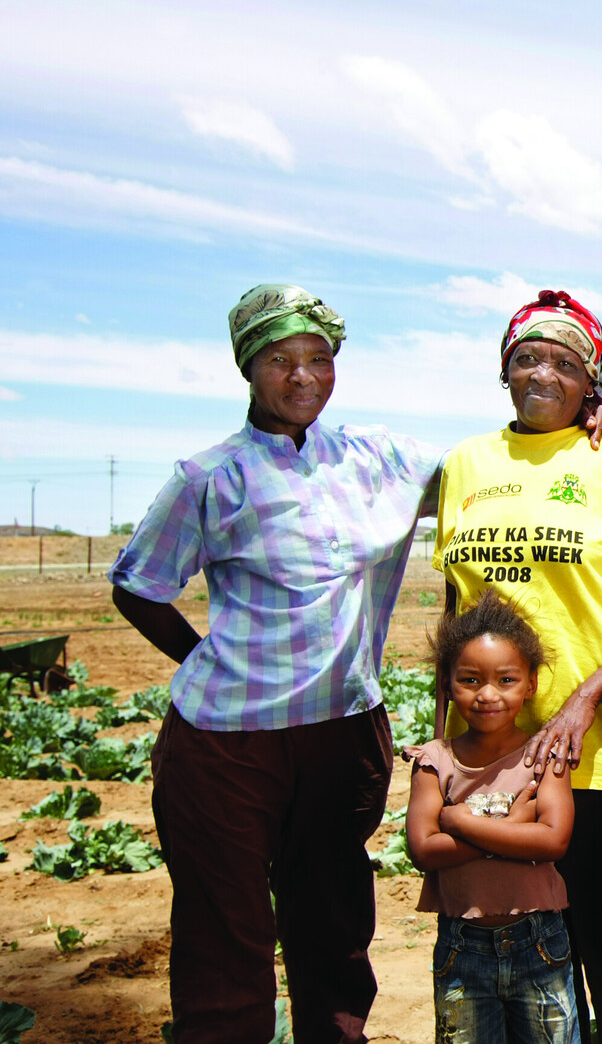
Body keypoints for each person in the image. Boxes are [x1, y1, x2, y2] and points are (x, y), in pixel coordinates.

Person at [107, 284, 442, 1044]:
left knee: (332, 928)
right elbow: (138, 585)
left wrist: (590, 414)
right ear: (248, 370)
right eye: (279, 360)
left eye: (318, 359)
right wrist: (206, 659)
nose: (302, 377)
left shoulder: (377, 456)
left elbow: (489, 476)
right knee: (226, 938)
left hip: (344, 734)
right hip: (227, 745)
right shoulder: (209, 476)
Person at [433, 289, 602, 1044]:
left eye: (564, 361)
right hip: (494, 765)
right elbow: (454, 619)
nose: (541, 373)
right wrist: (438, 758)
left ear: (594, 383)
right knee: (511, 965)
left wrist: (584, 697)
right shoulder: (466, 463)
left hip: (601, 758)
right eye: (525, 357)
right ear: (503, 372)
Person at [407, 588, 578, 1043]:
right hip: (462, 949)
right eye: (469, 680)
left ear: (531, 683)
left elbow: (553, 840)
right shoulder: (434, 761)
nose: (488, 695)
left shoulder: (545, 756)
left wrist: (462, 823)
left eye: (506, 680)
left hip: (540, 943)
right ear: (447, 683)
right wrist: (514, 827)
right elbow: (423, 850)